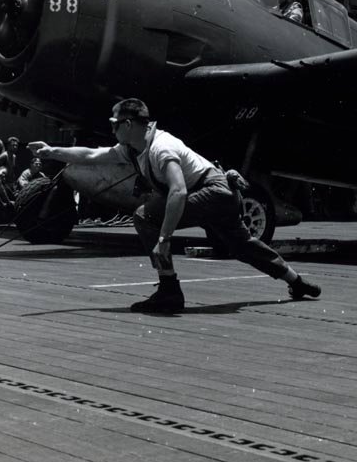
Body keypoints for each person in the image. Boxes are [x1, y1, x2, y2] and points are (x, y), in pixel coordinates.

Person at [28, 98, 321, 313]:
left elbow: (178, 191)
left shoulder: (160, 148)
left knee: (145, 217)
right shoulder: (134, 148)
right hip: (219, 192)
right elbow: (93, 156)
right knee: (242, 245)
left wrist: (164, 238)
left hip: (212, 191)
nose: (112, 129)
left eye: (115, 124)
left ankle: (169, 289)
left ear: (128, 125)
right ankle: (296, 281)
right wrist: (52, 151)